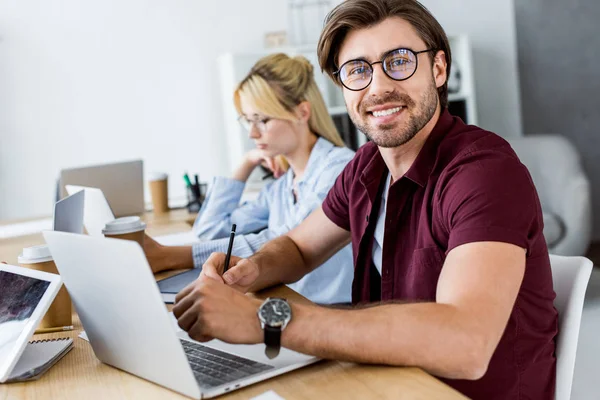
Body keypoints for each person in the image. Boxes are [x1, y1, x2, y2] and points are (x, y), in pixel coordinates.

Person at [170, 1, 558, 399]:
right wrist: (248, 271)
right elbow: (299, 248)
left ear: (438, 69)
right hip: (386, 382)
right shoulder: (366, 166)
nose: (377, 87)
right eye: (357, 70)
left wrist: (267, 319)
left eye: (399, 61)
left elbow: (466, 344)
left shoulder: (484, 172)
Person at [144, 53, 355, 304]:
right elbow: (210, 230)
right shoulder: (282, 186)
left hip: (331, 315)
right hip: (283, 306)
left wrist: (171, 256)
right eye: (247, 121)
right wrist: (246, 163)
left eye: (262, 120)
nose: (253, 133)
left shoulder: (339, 169)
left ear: (302, 112)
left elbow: (286, 243)